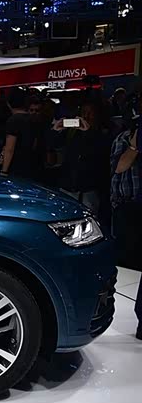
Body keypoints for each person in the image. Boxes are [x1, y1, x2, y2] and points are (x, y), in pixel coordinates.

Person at [109, 120, 142, 338]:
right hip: (128, 206)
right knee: (124, 259)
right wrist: (135, 145)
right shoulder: (124, 139)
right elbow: (119, 167)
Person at [51, 101, 110, 214]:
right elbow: (54, 145)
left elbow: (100, 154)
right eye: (83, 112)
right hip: (68, 186)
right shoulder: (73, 133)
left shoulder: (104, 134)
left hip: (89, 188)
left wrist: (89, 133)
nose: (86, 116)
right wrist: (56, 131)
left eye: (90, 113)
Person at [0, 87, 39, 179]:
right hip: (30, 164)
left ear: (9, 104)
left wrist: (4, 171)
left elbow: (10, 148)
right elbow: (35, 143)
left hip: (15, 166)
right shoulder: (33, 119)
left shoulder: (14, 120)